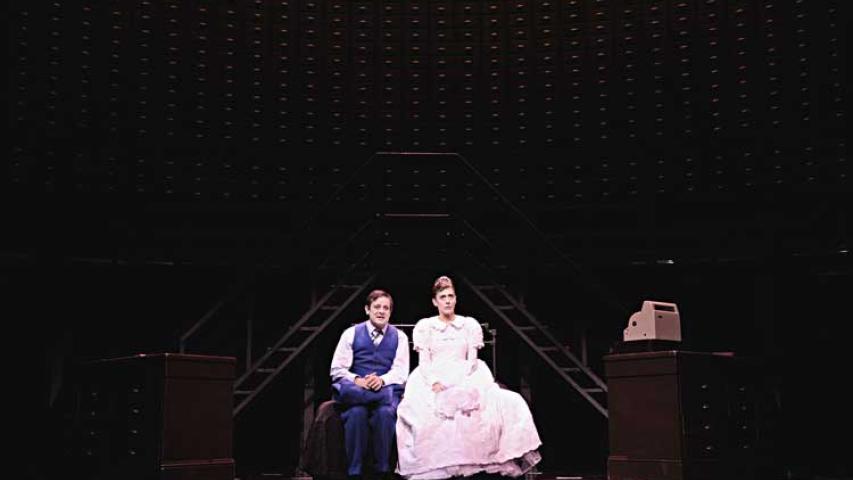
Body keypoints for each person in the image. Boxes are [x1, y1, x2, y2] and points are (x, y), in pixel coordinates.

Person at [396, 276, 542, 480]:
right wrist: (434, 382)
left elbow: (471, 361)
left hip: (467, 374)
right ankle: (441, 464)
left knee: (507, 402)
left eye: (451, 296)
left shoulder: (469, 325)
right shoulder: (426, 326)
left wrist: (461, 383)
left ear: (456, 299)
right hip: (433, 376)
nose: (447, 301)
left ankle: (490, 459)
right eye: (442, 297)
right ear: (435, 302)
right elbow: (425, 362)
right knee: (429, 412)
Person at [330, 289, 410, 479]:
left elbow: (401, 372)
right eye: (377, 307)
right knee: (356, 413)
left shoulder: (400, 337)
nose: (381, 311)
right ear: (367, 309)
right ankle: (355, 472)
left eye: (386, 308)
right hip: (358, 390)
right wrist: (358, 380)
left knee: (385, 413)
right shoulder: (351, 334)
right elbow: (337, 369)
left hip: (385, 389)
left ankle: (381, 470)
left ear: (390, 312)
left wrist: (381, 380)